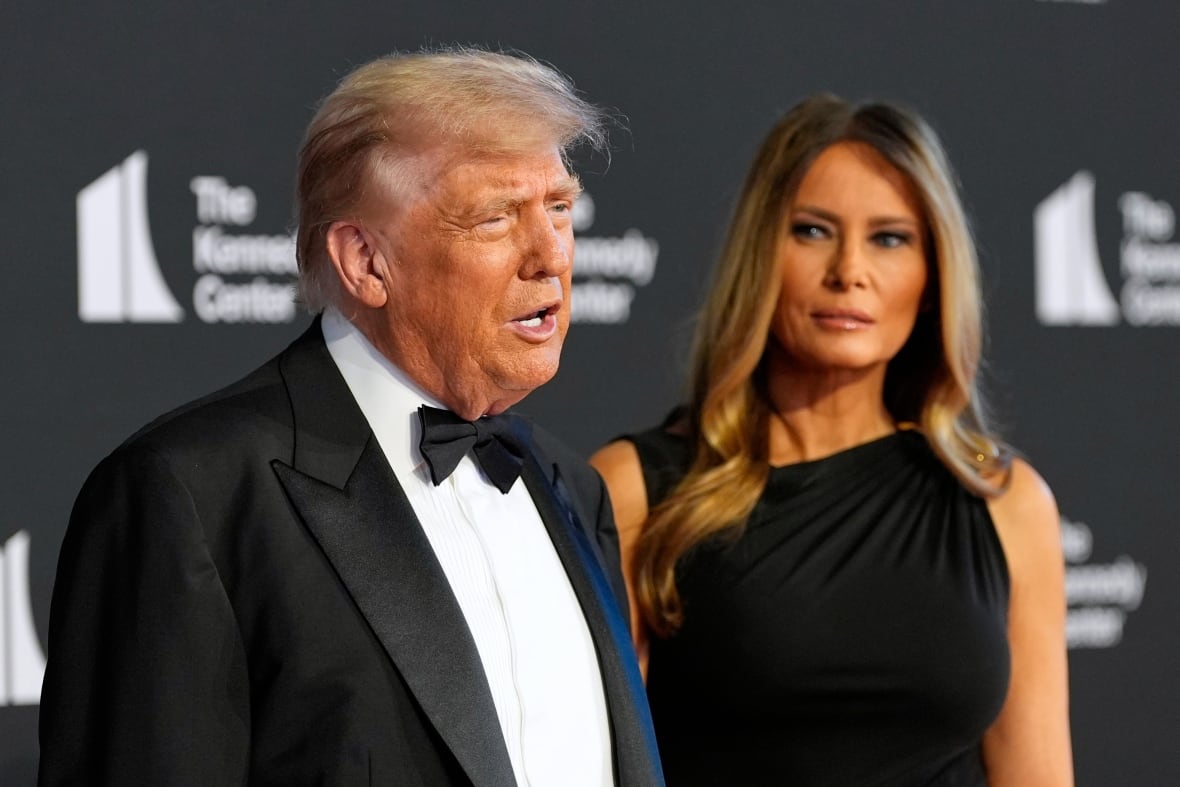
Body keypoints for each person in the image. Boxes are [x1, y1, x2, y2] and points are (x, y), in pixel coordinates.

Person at [40, 48, 662, 787]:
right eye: (496, 217)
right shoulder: (191, 496)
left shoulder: (571, 487)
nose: (550, 256)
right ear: (366, 260)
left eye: (560, 209)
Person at [591, 94, 1072, 786]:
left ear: (934, 276)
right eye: (813, 231)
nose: (850, 270)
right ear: (760, 253)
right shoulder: (640, 489)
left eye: (890, 238)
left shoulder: (1004, 501)